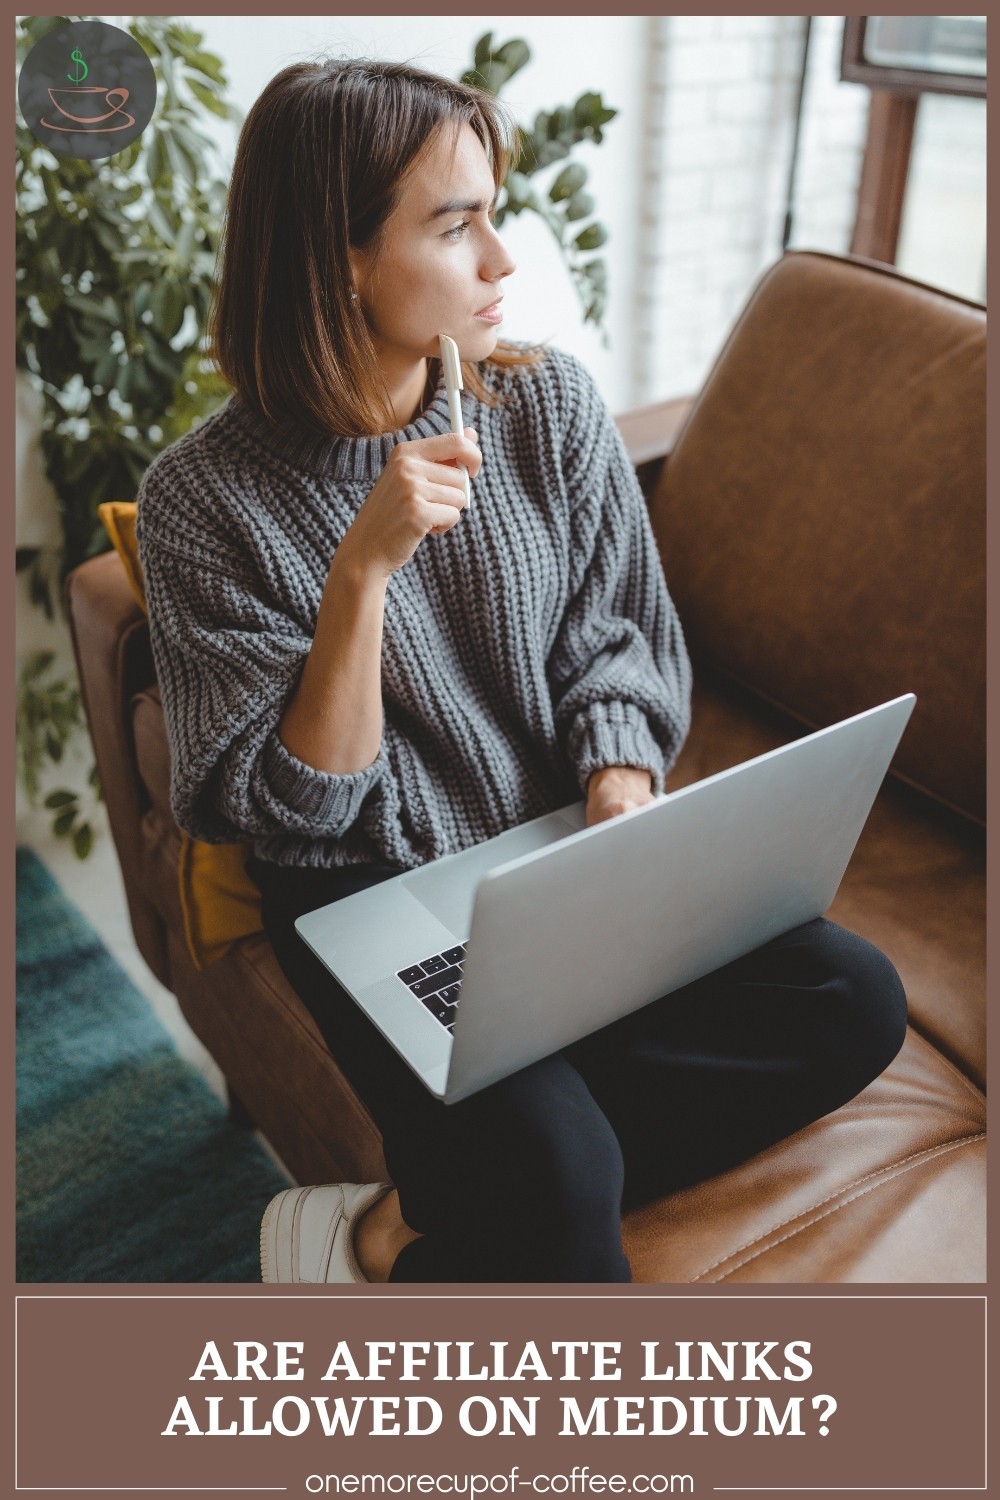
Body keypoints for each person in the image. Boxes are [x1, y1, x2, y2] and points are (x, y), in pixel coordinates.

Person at [136, 57, 907, 1285]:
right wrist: (362, 576)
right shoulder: (199, 501)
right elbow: (290, 810)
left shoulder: (544, 405)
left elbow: (618, 636)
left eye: (496, 212)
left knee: (852, 996)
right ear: (338, 258)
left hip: (555, 856)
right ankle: (477, 1209)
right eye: (456, 224)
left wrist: (617, 784)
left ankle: (401, 1218)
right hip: (367, 894)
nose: (504, 261)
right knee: (556, 1184)